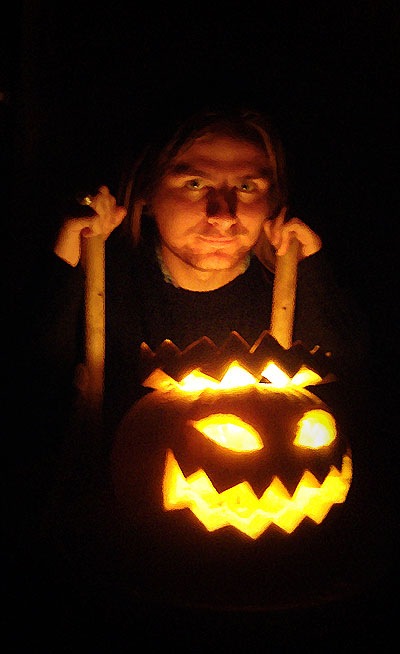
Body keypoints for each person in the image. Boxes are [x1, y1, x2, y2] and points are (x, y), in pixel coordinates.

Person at [18, 106, 367, 451]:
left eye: (246, 186)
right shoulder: (106, 284)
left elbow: (349, 396)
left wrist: (315, 277)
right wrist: (64, 262)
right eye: (195, 184)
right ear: (147, 192)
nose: (223, 215)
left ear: (272, 200)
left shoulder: (290, 290)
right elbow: (32, 391)